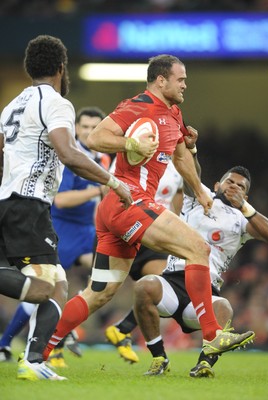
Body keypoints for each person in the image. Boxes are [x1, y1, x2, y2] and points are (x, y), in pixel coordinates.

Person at [43, 54, 254, 365]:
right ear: (161, 80)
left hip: (116, 209)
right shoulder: (138, 105)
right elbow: (98, 137)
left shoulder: (175, 114)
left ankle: (39, 352)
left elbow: (181, 157)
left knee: (99, 293)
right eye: (180, 79)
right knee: (198, 247)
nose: (185, 84)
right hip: (130, 200)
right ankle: (212, 335)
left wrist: (199, 191)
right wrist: (131, 144)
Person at [0, 35, 132, 381]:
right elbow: (68, 153)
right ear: (61, 68)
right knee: (47, 287)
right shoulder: (55, 103)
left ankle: (32, 360)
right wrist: (112, 181)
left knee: (57, 283)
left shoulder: (12, 105)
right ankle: (32, 361)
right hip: (27, 207)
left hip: (11, 203)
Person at [133, 163, 268, 376]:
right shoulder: (200, 197)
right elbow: (189, 172)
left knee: (225, 308)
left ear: (245, 197)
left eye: (241, 186)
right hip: (173, 282)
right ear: (218, 184)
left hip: (205, 290)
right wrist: (190, 149)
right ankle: (159, 358)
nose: (234, 187)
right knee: (143, 286)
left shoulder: (242, 220)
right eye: (230, 181)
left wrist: (245, 208)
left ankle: (204, 365)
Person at [0, 106, 111, 366]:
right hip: (61, 227)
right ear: (75, 128)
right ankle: (11, 342)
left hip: (85, 230)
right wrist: (99, 191)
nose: (87, 132)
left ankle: (62, 327)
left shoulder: (101, 159)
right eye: (83, 127)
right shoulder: (72, 156)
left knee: (102, 276)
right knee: (46, 283)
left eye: (94, 127)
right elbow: (60, 200)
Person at [105, 158, 183, 363]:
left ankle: (123, 329)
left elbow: (180, 192)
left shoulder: (177, 166)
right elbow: (109, 187)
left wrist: (178, 220)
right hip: (133, 226)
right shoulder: (134, 154)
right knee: (101, 293)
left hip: (157, 232)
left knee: (163, 288)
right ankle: (56, 340)